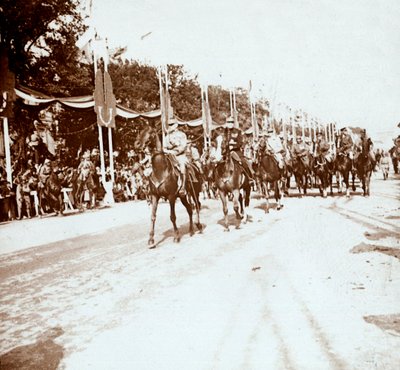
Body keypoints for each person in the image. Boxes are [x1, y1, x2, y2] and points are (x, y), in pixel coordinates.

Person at [164, 118, 189, 195]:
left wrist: (174, 151)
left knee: (182, 165)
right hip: (169, 155)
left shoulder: (182, 135)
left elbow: (183, 146)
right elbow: (164, 147)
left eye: (171, 124)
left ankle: (183, 186)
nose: (170, 126)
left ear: (176, 125)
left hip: (180, 155)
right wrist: (167, 151)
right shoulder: (167, 136)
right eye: (169, 125)